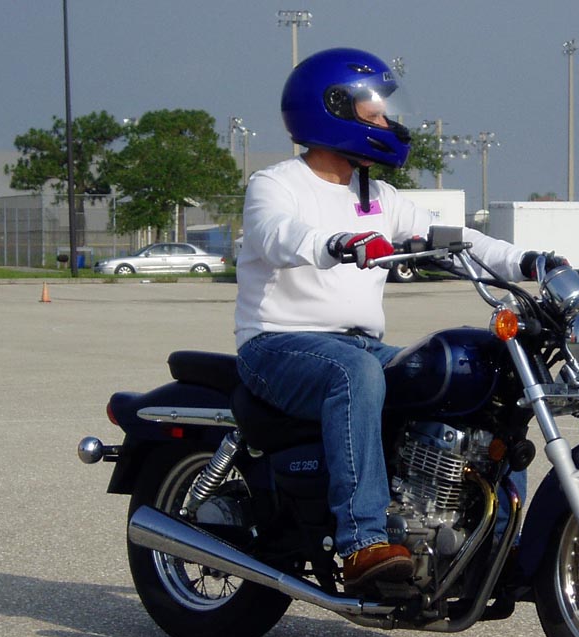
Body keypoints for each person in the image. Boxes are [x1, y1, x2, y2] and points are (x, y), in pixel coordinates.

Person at [235, 47, 548, 596]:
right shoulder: (277, 184)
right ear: (332, 108)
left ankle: (494, 542)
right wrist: (338, 242)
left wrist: (528, 262)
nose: (387, 122)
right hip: (278, 344)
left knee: (482, 374)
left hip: (359, 344)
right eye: (373, 111)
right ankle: (363, 542)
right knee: (354, 373)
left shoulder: (379, 196)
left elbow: (455, 240)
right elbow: (276, 236)